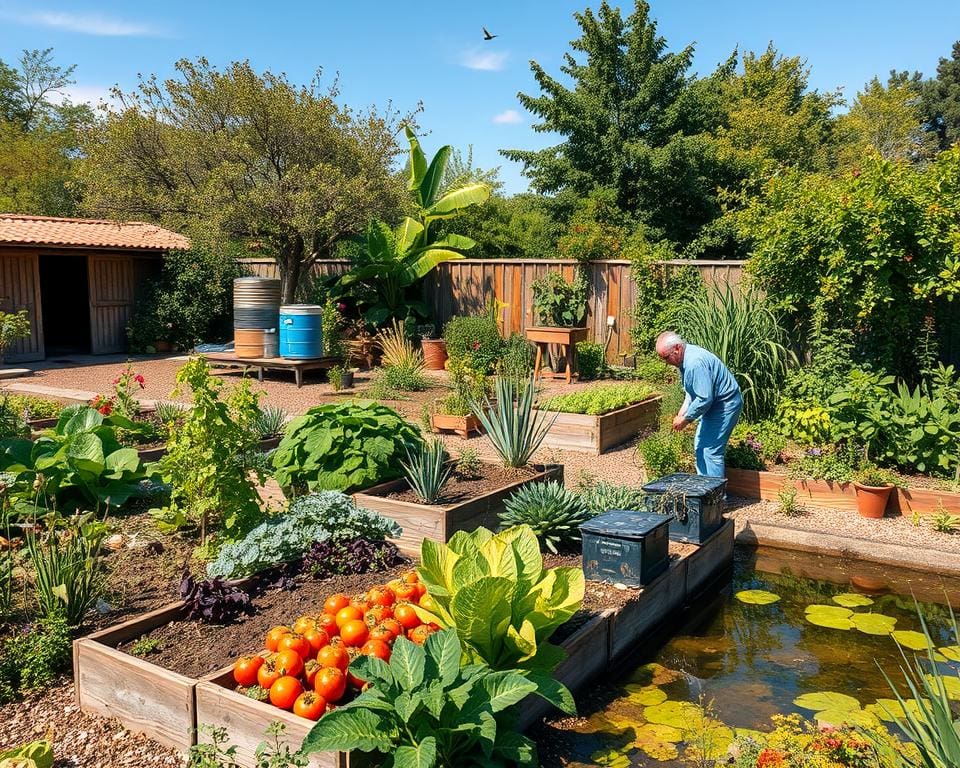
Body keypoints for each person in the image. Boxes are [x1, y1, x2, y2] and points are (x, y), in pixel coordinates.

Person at [655, 331, 742, 478]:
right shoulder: (685, 359)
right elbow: (692, 392)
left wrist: (686, 419)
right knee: (700, 445)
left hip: (724, 405)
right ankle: (704, 489)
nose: (666, 362)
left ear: (677, 348)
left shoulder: (694, 363)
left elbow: (704, 399)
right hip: (714, 404)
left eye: (666, 357)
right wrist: (682, 412)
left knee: (710, 450)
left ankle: (715, 497)